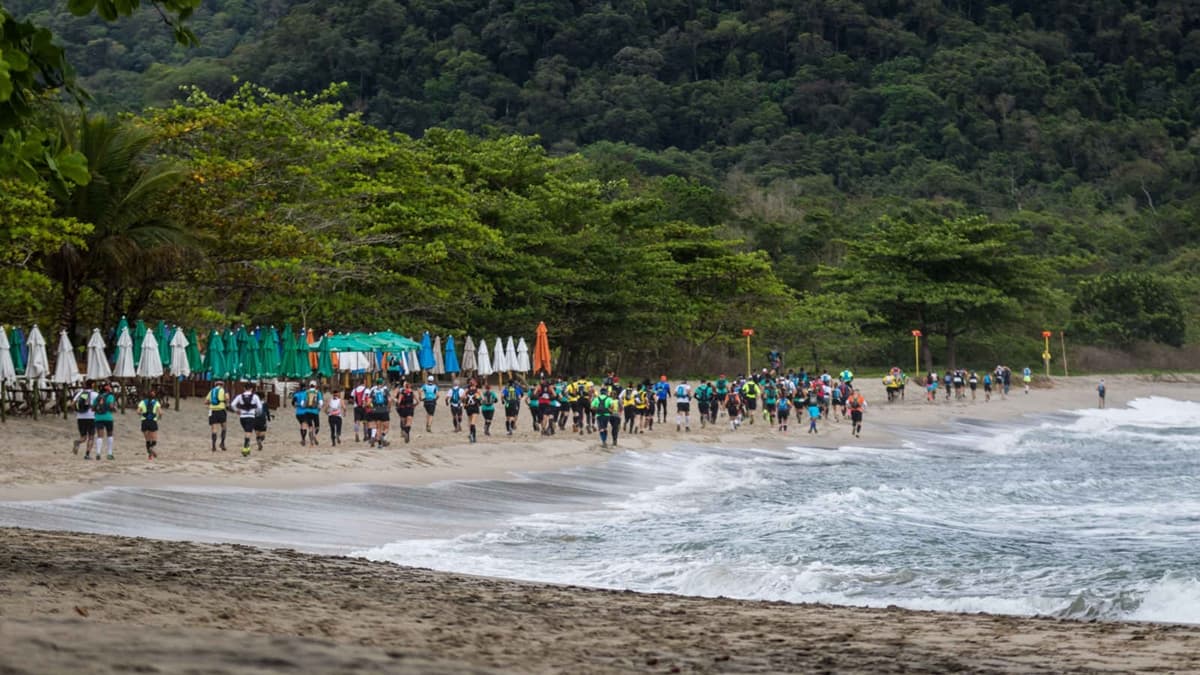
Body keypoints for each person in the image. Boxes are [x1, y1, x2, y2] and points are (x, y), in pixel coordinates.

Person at [232, 382, 262, 456]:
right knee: (248, 433)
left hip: (242, 417)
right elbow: (260, 407)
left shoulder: (240, 396)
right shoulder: (255, 396)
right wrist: (257, 413)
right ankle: (245, 448)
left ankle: (247, 448)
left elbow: (232, 404)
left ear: (244, 388)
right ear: (251, 389)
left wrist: (237, 410)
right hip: (251, 416)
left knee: (247, 432)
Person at [71, 381, 98, 457]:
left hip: (80, 417)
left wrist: (77, 411)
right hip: (91, 417)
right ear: (92, 385)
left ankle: (78, 442)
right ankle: (87, 454)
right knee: (91, 437)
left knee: (83, 437)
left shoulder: (80, 394)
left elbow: (72, 404)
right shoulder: (95, 394)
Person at [293, 381, 323, 446]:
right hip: (313, 411)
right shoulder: (317, 392)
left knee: (304, 426)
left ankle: (303, 439)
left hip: (300, 413)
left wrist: (299, 405)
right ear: (315, 386)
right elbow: (321, 403)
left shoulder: (298, 394)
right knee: (315, 426)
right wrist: (319, 408)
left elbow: (295, 404)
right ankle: (314, 435)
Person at [93, 382, 117, 460]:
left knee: (100, 435)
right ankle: (109, 454)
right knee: (109, 434)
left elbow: (92, 408)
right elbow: (111, 406)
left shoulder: (98, 396)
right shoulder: (110, 396)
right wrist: (114, 409)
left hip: (98, 418)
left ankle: (98, 453)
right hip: (108, 417)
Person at [137, 388, 162, 460]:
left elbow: (138, 411)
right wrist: (159, 417)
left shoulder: (142, 402)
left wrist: (142, 415)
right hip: (152, 421)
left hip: (144, 421)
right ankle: (151, 448)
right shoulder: (156, 402)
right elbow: (160, 412)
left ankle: (150, 456)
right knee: (154, 439)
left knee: (147, 440)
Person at [367, 377, 391, 446]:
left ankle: (379, 443)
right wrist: (388, 408)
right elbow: (389, 400)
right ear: (382, 383)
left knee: (378, 427)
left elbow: (368, 403)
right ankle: (383, 436)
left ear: (376, 383)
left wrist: (372, 408)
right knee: (386, 427)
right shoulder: (385, 389)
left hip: (375, 411)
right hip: (384, 410)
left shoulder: (373, 390)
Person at [207, 379, 229, 452]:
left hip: (212, 410)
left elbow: (206, 401)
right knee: (224, 427)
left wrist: (212, 403)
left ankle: (213, 445)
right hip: (221, 410)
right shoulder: (223, 390)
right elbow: (227, 398)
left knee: (214, 429)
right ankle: (222, 443)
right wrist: (227, 403)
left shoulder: (211, 391)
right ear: (222, 385)